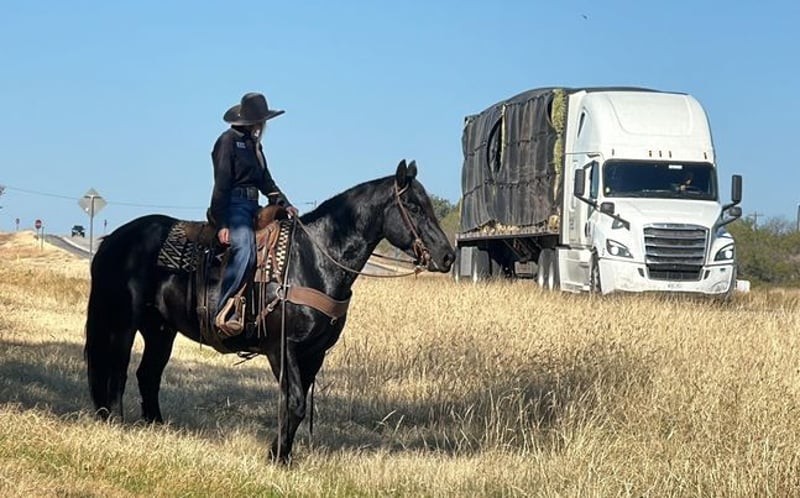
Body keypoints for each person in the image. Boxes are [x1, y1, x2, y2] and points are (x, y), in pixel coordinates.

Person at [208, 92, 298, 334]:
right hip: (234, 206)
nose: (263, 125)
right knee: (245, 249)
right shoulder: (227, 141)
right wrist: (222, 223)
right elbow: (221, 185)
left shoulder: (254, 145)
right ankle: (224, 310)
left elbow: (266, 182)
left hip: (254, 205)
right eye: (262, 120)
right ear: (255, 121)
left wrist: (285, 203)